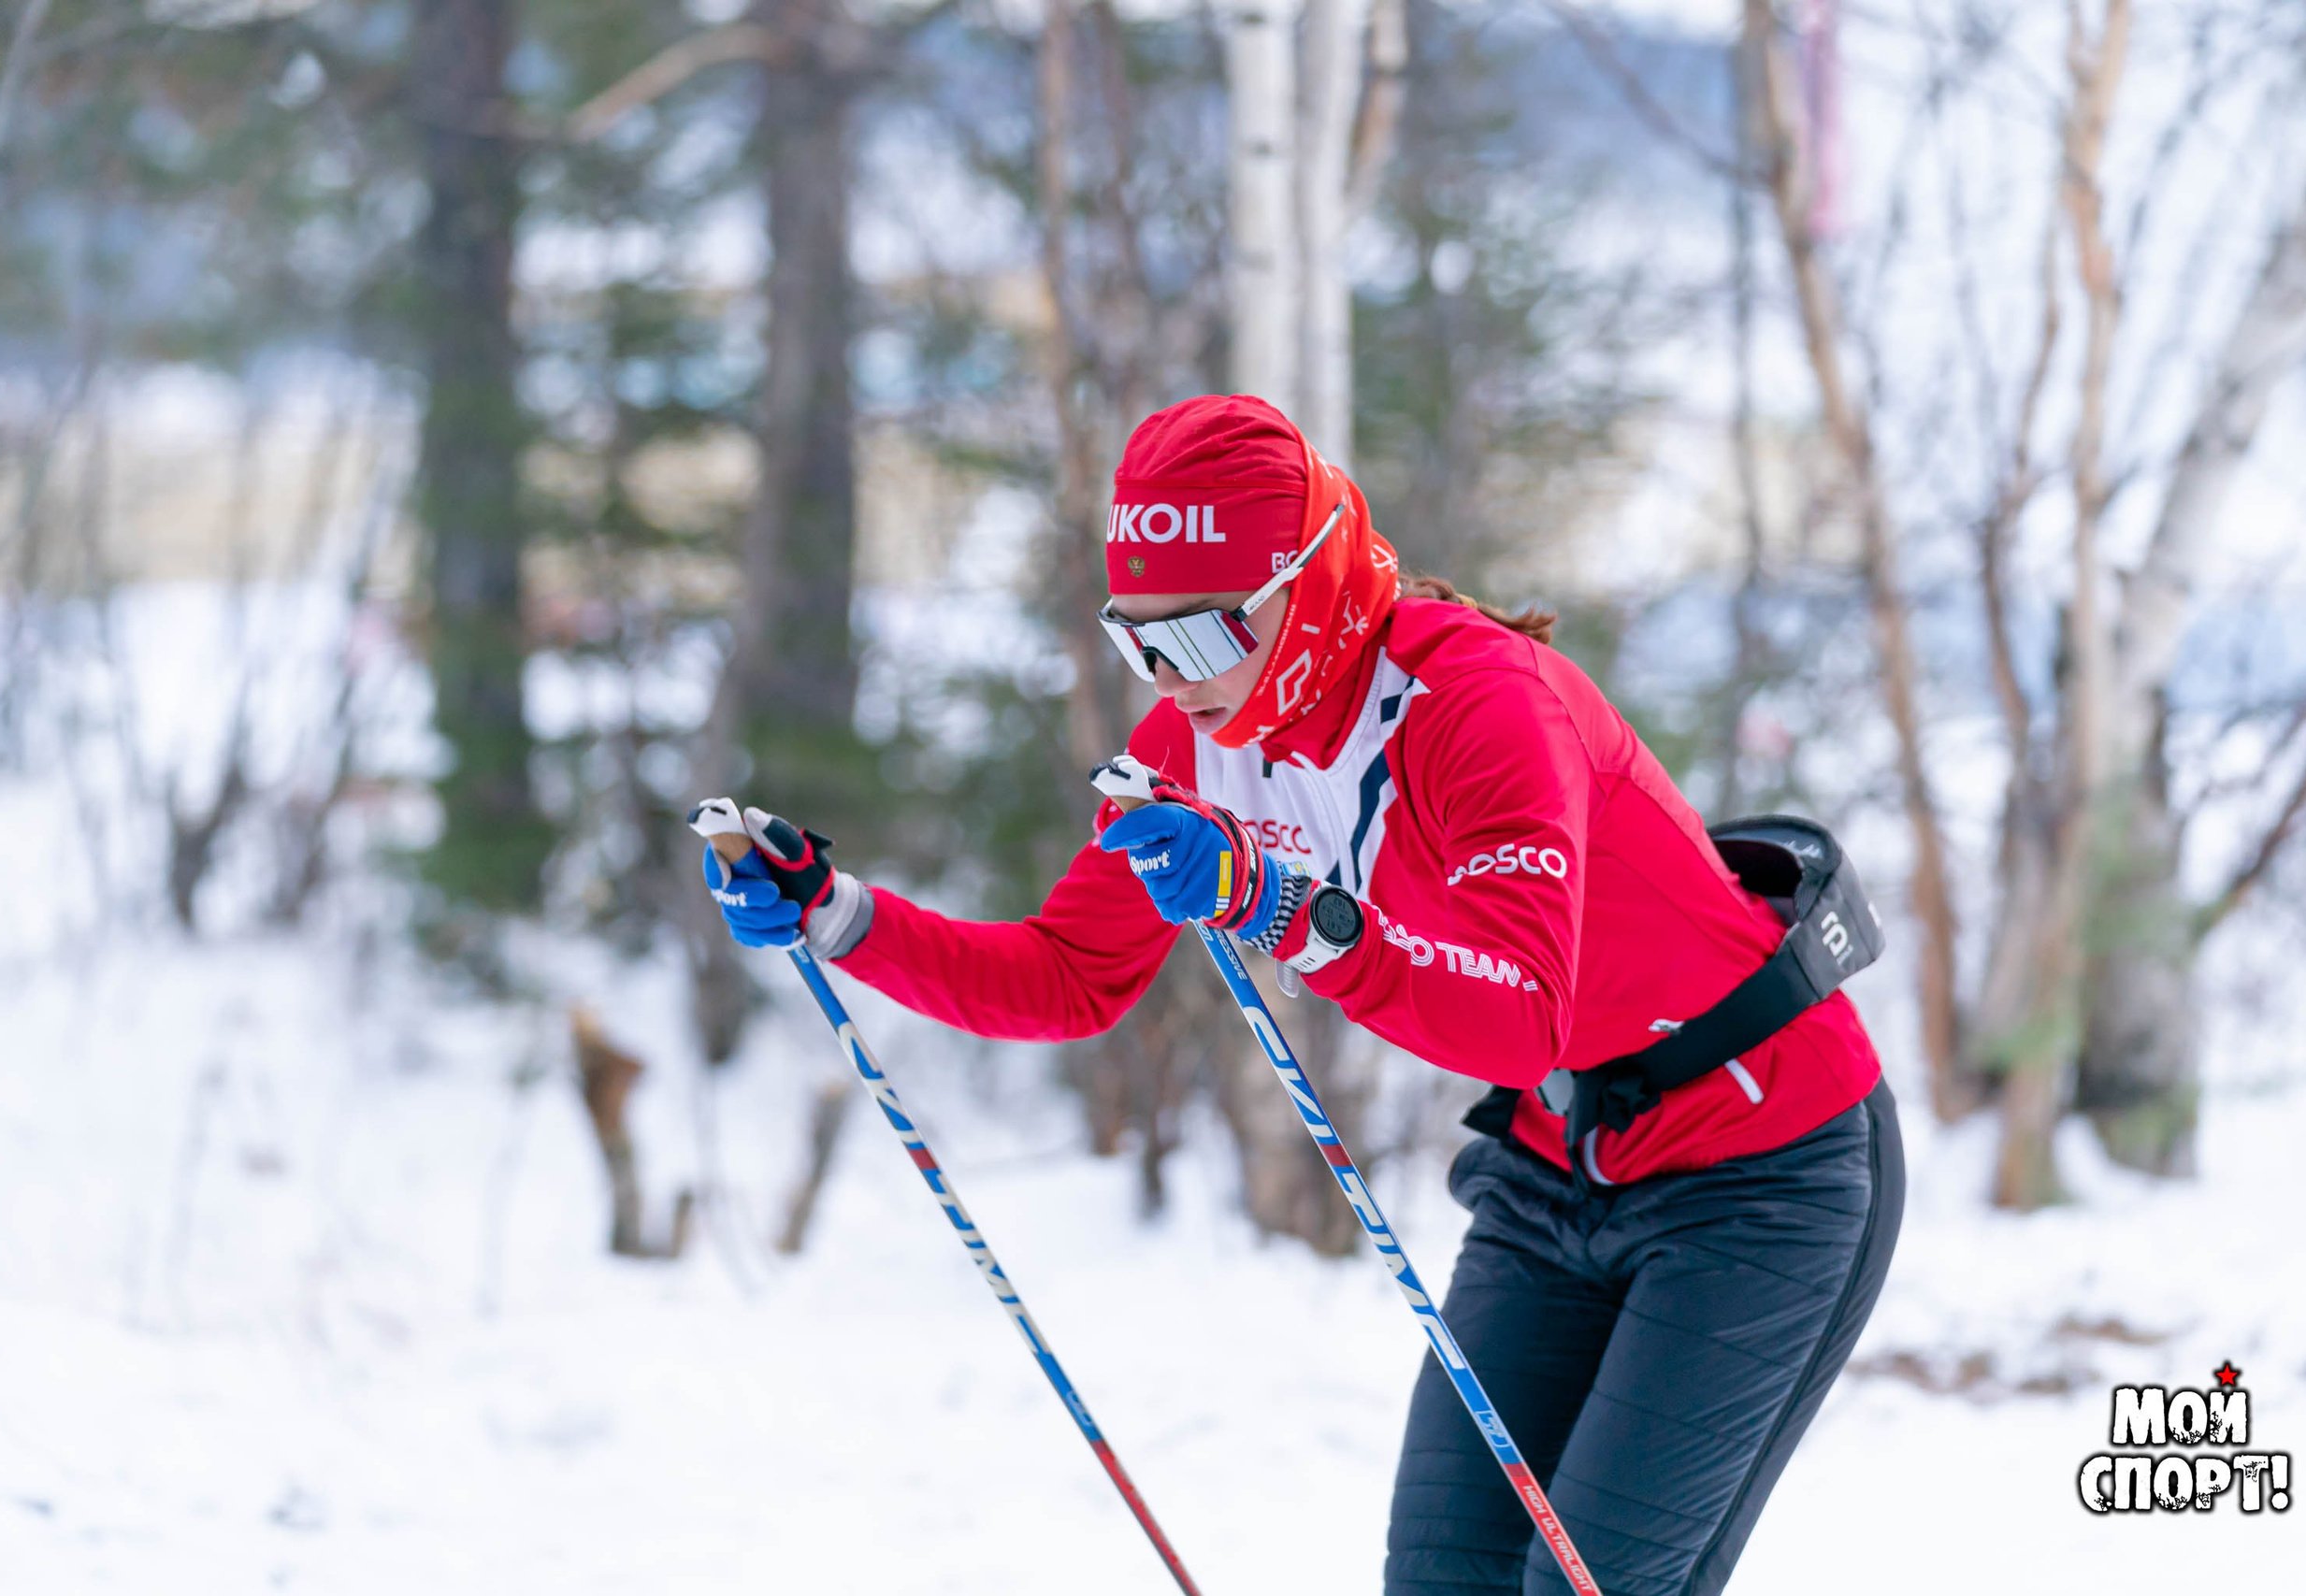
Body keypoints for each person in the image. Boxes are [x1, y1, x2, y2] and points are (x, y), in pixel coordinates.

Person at [703, 394, 1904, 1596]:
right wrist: (839, 917)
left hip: (1763, 1170)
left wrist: (1282, 908)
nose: (1177, 680)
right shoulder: (1194, 739)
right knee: (1442, 1580)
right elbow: (1068, 978)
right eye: (1143, 644)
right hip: (1558, 1167)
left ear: (1314, 583)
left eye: (1209, 637)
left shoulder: (1483, 703)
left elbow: (1518, 1009)